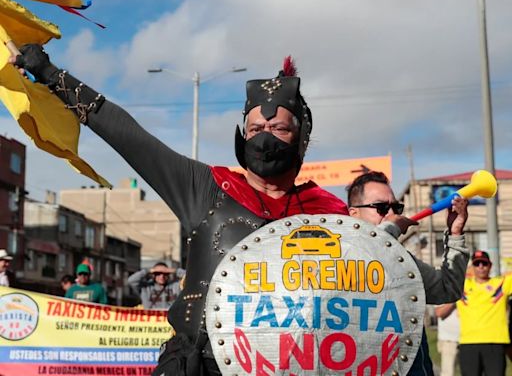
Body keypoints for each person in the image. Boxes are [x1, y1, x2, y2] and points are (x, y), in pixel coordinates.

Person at [12, 47, 348, 375]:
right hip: (198, 363)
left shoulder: (329, 215)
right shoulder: (205, 188)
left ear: (300, 139)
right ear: (242, 137)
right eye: (255, 129)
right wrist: (50, 74)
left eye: (279, 129)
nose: (265, 138)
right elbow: (127, 136)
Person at [346, 171, 469, 376]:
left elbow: (448, 290)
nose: (392, 213)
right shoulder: (338, 256)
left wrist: (455, 235)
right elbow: (366, 251)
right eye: (381, 207)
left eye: (396, 207)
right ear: (353, 214)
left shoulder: (403, 259)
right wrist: (391, 228)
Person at [456, 250, 512, 376]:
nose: (481, 266)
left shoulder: (501, 284)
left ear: (490, 265)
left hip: (495, 342)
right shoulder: (462, 285)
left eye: (484, 263)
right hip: (468, 344)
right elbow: (451, 273)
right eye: (477, 264)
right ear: (472, 267)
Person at [434, 303, 459, 376]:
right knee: (448, 373)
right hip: (449, 340)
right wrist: (456, 301)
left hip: (469, 339)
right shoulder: (442, 292)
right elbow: (439, 312)